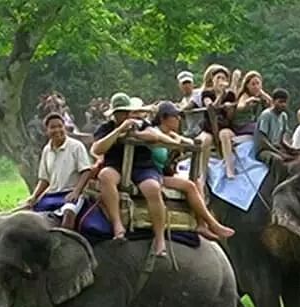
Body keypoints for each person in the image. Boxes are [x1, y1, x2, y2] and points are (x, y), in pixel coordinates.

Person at [91, 92, 183, 256]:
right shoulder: (106, 128)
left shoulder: (141, 124)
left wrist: (135, 134)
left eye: (126, 112)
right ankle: (117, 225)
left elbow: (154, 135)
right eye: (120, 113)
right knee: (105, 176)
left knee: (153, 188)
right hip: (116, 166)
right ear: (114, 114)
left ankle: (160, 238)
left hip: (142, 167)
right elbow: (97, 149)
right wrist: (119, 131)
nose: (124, 116)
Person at [149, 101, 235, 241]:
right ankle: (212, 223)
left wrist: (178, 140)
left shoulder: (169, 133)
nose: (179, 119)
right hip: (152, 174)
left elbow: (190, 143)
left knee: (197, 181)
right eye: (175, 116)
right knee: (189, 186)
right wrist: (176, 143)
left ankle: (201, 224)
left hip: (163, 173)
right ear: (163, 118)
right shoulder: (154, 132)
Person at [23, 112, 94, 229]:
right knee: (31, 220)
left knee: (69, 213)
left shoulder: (76, 146)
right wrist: (34, 197)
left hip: (70, 194)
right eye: (53, 127)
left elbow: (86, 171)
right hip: (52, 195)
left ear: (64, 127)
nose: (57, 130)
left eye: (60, 126)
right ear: (46, 131)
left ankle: (67, 245)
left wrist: (76, 191)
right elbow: (44, 179)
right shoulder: (46, 150)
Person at [198, 64, 238, 179]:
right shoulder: (207, 93)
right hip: (208, 127)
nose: (221, 81)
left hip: (224, 126)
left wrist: (229, 108)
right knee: (205, 140)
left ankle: (229, 169)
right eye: (218, 78)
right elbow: (210, 107)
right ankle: (203, 173)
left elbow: (230, 117)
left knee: (224, 134)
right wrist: (219, 96)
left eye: (223, 78)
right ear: (213, 80)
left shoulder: (230, 95)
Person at [255, 88, 296, 163]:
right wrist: (279, 153)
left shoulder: (284, 116)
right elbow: (263, 141)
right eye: (280, 102)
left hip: (277, 148)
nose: (283, 105)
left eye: (285, 102)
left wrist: (292, 149)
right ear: (273, 102)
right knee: (278, 160)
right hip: (265, 150)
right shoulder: (266, 115)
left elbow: (282, 138)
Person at [234, 71, 272, 136]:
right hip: (242, 126)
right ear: (247, 86)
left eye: (258, 83)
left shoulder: (261, 96)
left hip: (254, 124)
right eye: (253, 84)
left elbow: (272, 104)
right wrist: (247, 102)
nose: (256, 86)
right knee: (261, 128)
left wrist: (263, 94)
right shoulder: (245, 95)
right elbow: (240, 106)